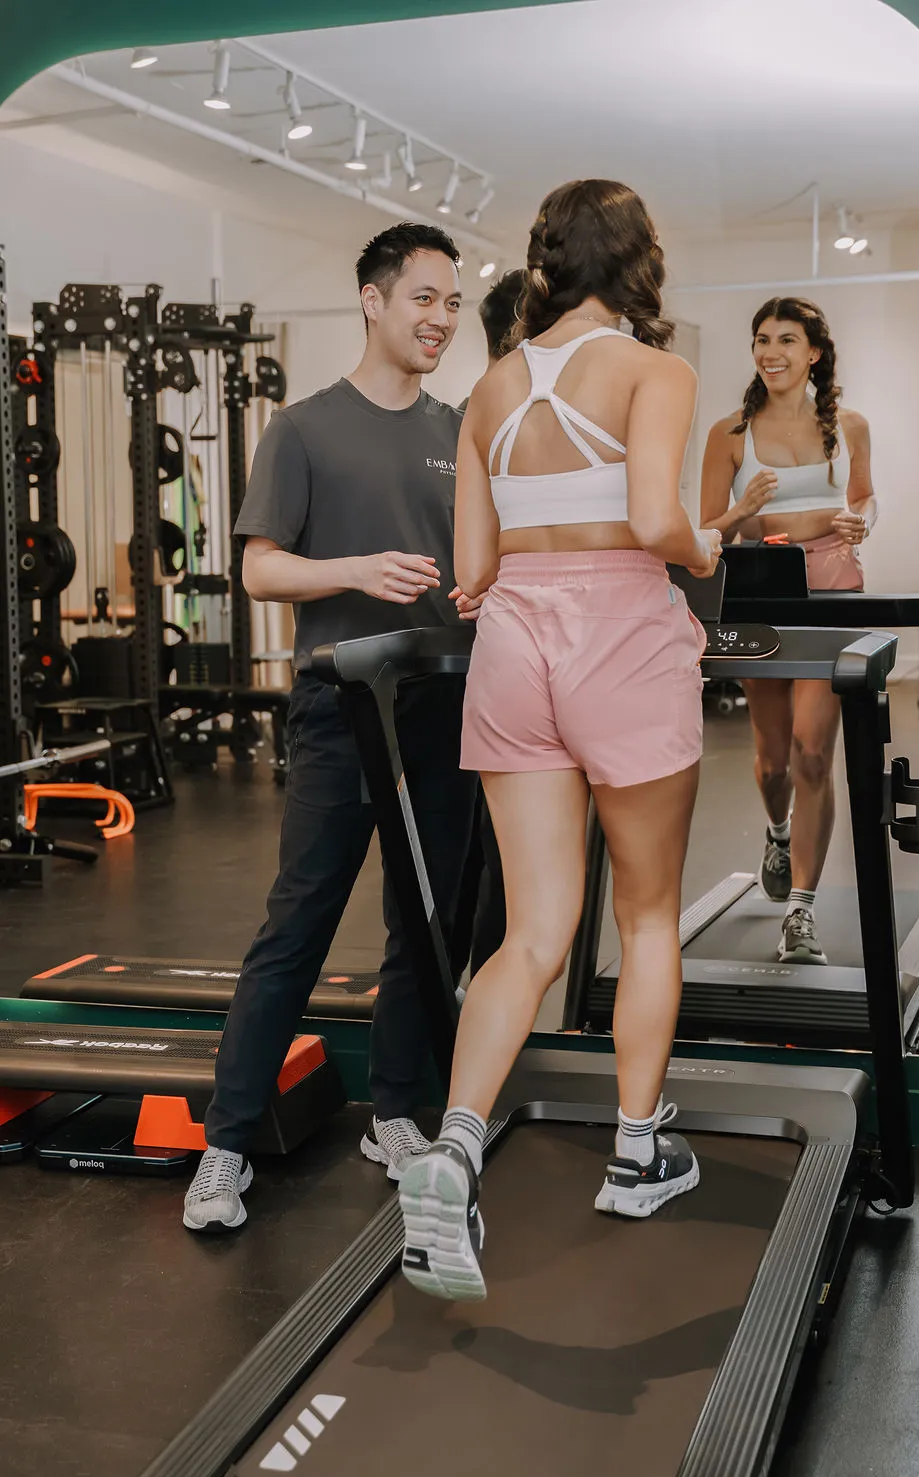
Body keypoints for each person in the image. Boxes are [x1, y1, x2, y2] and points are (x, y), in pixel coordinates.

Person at [396, 179, 722, 1302]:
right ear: (637, 259)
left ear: (544, 262)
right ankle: (637, 1156)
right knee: (645, 913)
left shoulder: (488, 388)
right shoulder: (654, 371)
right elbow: (652, 522)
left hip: (515, 646)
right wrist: (708, 540)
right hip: (620, 638)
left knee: (531, 932)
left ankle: (452, 1145)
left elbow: (471, 573)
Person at [183, 223, 483, 1233]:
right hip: (338, 710)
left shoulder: (458, 430)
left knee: (426, 922)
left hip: (442, 706)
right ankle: (223, 1147)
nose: (441, 318)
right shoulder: (303, 429)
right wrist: (356, 571)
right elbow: (260, 568)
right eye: (424, 298)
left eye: (453, 303)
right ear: (372, 299)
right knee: (297, 925)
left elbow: (476, 568)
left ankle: (394, 1112)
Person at [700, 297, 877, 965]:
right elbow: (706, 531)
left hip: (834, 591)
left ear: (814, 353)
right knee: (774, 760)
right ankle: (778, 832)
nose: (770, 350)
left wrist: (863, 521)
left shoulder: (848, 427)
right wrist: (743, 510)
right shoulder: (731, 435)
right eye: (761, 340)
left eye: (785, 339)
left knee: (812, 754)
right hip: (760, 597)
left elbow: (863, 499)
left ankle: (801, 913)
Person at [450, 269, 527, 977]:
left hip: (528, 659)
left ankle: (480, 986)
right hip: (491, 662)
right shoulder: (485, 415)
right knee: (480, 845)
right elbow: (471, 563)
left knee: (504, 851)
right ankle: (468, 987)